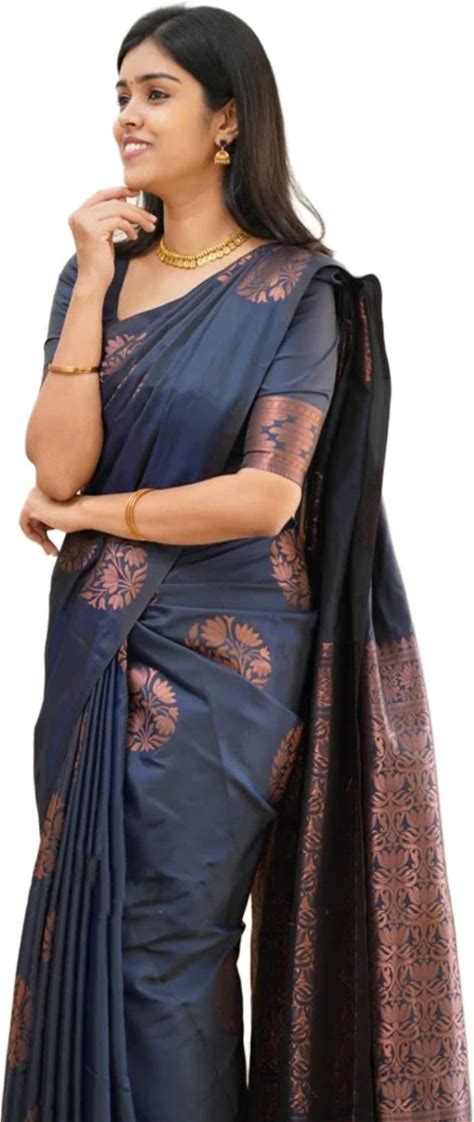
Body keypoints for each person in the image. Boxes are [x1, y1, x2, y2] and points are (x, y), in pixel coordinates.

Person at [1, 7, 471, 1122]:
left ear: (228, 120)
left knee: (168, 945)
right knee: (88, 932)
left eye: (156, 92)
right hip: (95, 645)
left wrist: (93, 513)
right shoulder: (95, 275)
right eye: (120, 93)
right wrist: (89, 277)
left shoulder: (299, 292)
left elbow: (265, 497)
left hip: (227, 656)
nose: (127, 114)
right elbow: (52, 460)